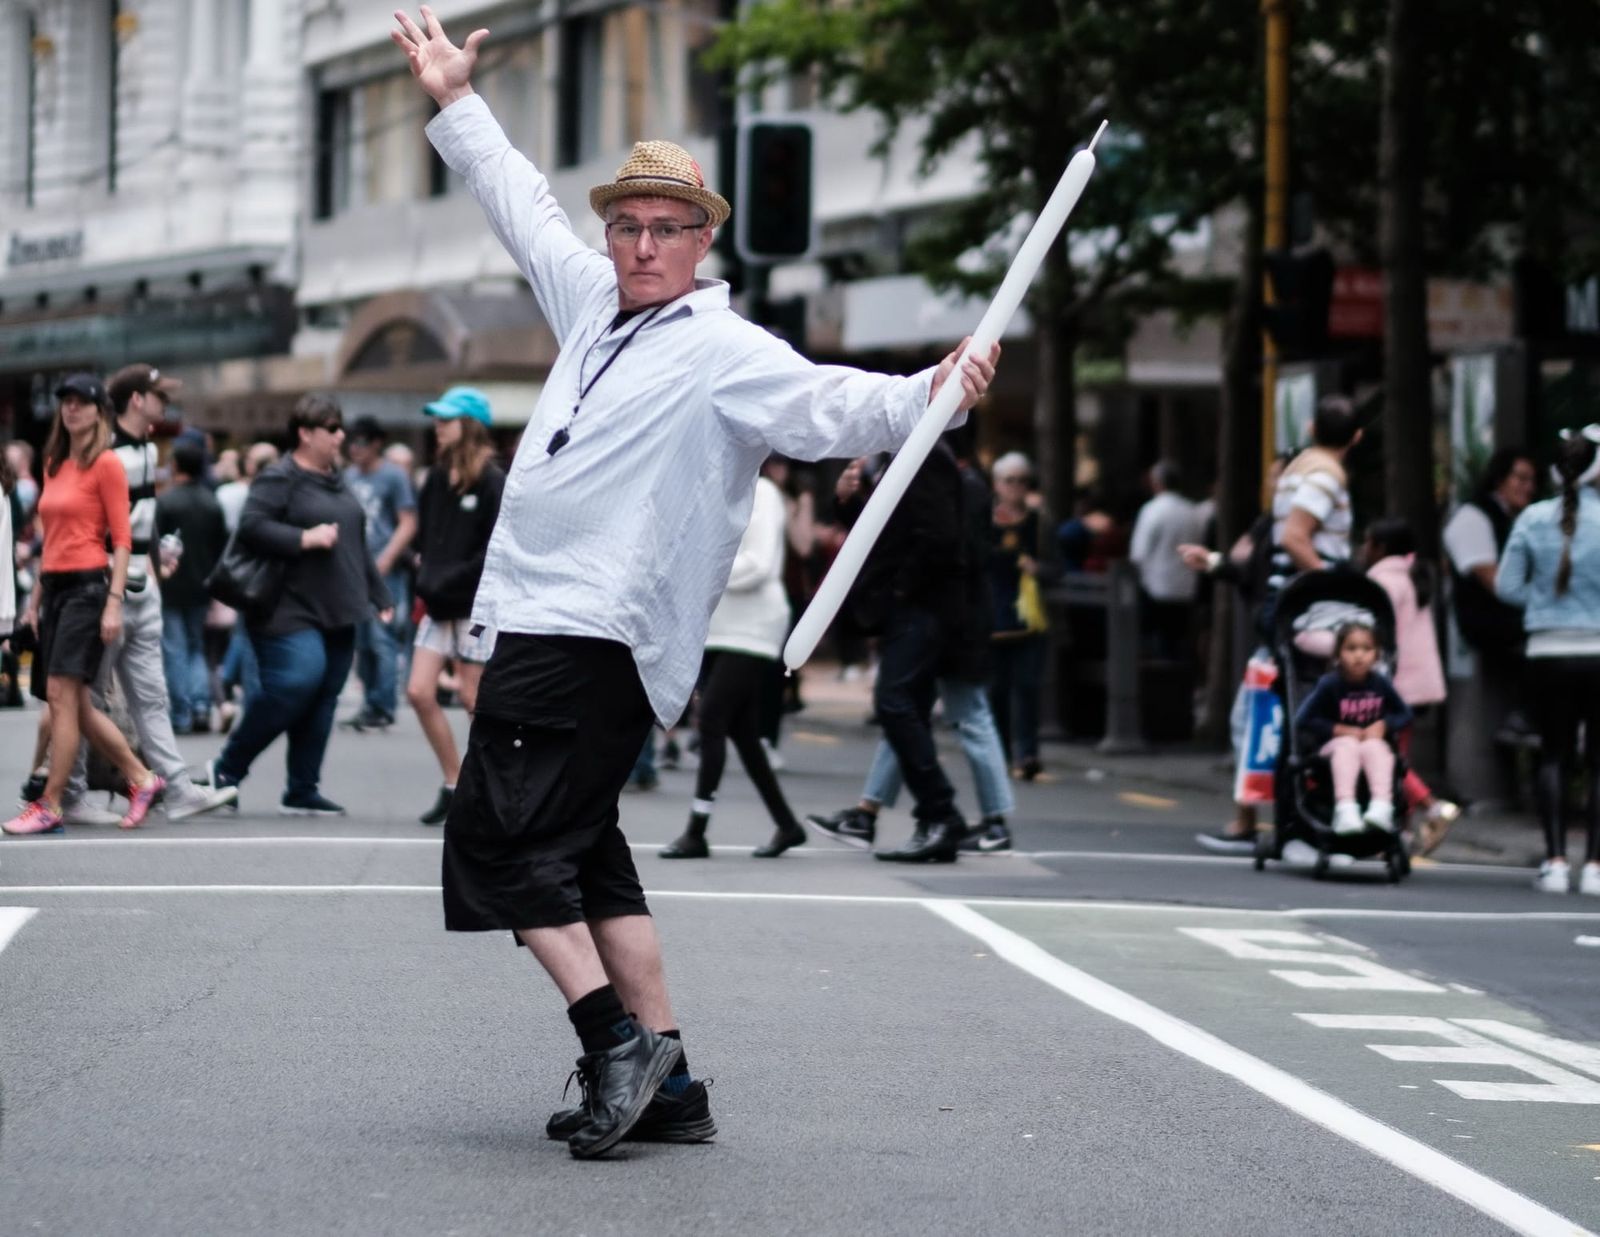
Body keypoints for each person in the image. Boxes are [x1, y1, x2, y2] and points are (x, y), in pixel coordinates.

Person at [391, 6, 996, 1159]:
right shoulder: (589, 307)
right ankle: (672, 1083)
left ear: (702, 242)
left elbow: (829, 404)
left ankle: (616, 1040)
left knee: (498, 843)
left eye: (669, 229)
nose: (644, 245)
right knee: (587, 854)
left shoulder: (721, 349)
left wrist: (933, 390)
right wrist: (455, 101)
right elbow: (521, 205)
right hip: (560, 625)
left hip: (588, 628)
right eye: (628, 225)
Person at [52, 365, 237, 825]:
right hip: (108, 588)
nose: (164, 404)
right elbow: (104, 525)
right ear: (137, 399)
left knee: (150, 697)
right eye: (158, 395)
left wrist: (154, 563)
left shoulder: (150, 450)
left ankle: (176, 788)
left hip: (141, 589)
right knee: (83, 696)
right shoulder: (106, 451)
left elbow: (142, 517)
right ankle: (70, 791)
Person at [204, 396, 394, 816]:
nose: (340, 435)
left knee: (324, 696)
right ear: (306, 434)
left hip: (340, 605)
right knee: (295, 683)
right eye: (331, 427)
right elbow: (252, 526)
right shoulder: (279, 477)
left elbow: (356, 542)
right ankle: (226, 768)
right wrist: (303, 538)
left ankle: (302, 788)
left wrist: (379, 594)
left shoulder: (336, 479)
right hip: (286, 605)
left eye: (340, 427)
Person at [3, 375, 164, 835]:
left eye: (81, 402)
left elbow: (123, 539)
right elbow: (51, 539)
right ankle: (141, 777)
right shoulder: (55, 462)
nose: (71, 409)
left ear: (99, 411)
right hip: (53, 589)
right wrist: (32, 603)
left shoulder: (107, 464)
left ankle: (51, 803)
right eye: (65, 402)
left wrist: (113, 603)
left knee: (60, 698)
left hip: (89, 590)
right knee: (77, 706)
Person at [660, 470, 807, 860]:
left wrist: (698, 572)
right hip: (720, 628)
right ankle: (787, 825)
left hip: (754, 626)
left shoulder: (762, 492)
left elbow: (758, 564)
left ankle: (696, 831)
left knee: (710, 720)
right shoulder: (719, 491)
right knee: (742, 734)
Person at [1496, 428, 1600, 896]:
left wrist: (1543, 604)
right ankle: (1596, 866)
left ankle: (1555, 862)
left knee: (1553, 755)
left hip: (1546, 651)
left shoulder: (1533, 518)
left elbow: (1507, 587)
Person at [407, 387, 505, 826]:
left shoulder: (492, 480)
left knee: (472, 697)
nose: (438, 425)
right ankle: (455, 784)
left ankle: (490, 792)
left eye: (446, 419)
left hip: (474, 604)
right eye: (437, 418)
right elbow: (425, 536)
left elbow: (495, 550)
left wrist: (445, 577)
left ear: (469, 424)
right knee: (419, 691)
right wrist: (424, 575)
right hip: (438, 602)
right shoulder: (436, 476)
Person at [1362, 518, 1459, 852]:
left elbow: (1372, 634)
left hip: (1394, 683)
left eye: (1367, 542)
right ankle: (1401, 832)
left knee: (1386, 758)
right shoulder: (1413, 575)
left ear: (1380, 548)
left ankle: (1432, 806)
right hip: (1418, 684)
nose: (1363, 549)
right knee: (1397, 752)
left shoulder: (1382, 579)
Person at [1443, 446, 1537, 739]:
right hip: (1487, 620)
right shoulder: (1474, 516)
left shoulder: (1514, 518)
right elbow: (1495, 581)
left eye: (1532, 481)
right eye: (1520, 479)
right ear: (1499, 479)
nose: (1528, 488)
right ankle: (1523, 716)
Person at [1294, 621, 1413, 835]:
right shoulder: (1329, 684)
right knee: (1348, 746)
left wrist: (1384, 724)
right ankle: (1345, 807)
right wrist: (1338, 729)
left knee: (1376, 748)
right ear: (1338, 654)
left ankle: (1381, 806)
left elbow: (1404, 713)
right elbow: (1304, 719)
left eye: (1366, 649)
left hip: (1369, 743)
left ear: (1376, 655)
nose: (1359, 655)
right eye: (1351, 649)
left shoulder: (1380, 683)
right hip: (1333, 747)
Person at [341, 416, 417, 730]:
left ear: (376, 444)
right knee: (360, 642)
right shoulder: (347, 476)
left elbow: (409, 521)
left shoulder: (393, 476)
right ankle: (371, 703)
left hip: (383, 571)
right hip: (352, 569)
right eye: (351, 442)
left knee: (381, 638)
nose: (354, 449)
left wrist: (387, 558)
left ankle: (383, 706)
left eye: (360, 442)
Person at [157, 442, 228, 733]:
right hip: (203, 584)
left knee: (175, 649)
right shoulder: (212, 503)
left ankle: (182, 713)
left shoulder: (166, 502)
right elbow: (222, 548)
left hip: (170, 583)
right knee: (198, 647)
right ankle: (201, 706)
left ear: (175, 465)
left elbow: (155, 543)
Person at [988, 451, 1049, 780]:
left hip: (1029, 619)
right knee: (996, 691)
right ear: (997, 484)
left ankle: (1028, 754)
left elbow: (1057, 568)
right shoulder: (984, 520)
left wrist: (1038, 569)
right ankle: (1000, 753)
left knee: (1027, 687)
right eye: (1009, 481)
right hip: (992, 618)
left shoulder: (1039, 523)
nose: (1016, 487)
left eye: (1022, 481)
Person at [1129, 460, 1203, 659]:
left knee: (1160, 647)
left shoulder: (1152, 510)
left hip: (1156, 588)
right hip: (1187, 586)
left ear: (1156, 483)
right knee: (1181, 644)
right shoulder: (1192, 511)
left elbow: (1139, 553)